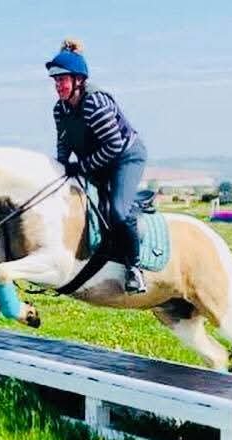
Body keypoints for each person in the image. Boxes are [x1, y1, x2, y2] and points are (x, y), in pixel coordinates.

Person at [46, 39, 148, 294]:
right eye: (55, 81)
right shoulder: (60, 110)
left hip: (125, 157)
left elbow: (113, 146)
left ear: (78, 80)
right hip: (98, 159)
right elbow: (63, 143)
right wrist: (61, 169)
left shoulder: (95, 104)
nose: (58, 86)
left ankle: (134, 268)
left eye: (62, 80)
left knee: (118, 212)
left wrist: (81, 166)